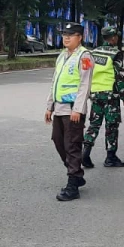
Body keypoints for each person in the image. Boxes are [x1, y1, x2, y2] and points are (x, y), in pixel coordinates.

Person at [44, 22, 93, 202]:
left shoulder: (85, 56)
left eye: (71, 34)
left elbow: (85, 84)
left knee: (72, 144)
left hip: (73, 109)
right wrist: (49, 106)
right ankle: (77, 173)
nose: (66, 37)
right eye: (64, 34)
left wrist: (78, 109)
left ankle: (73, 184)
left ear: (79, 37)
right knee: (58, 141)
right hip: (59, 108)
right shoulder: (62, 56)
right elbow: (55, 82)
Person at [83, 27, 124, 168]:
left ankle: (85, 152)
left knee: (94, 124)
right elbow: (120, 76)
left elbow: (85, 72)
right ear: (113, 38)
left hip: (95, 94)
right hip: (110, 95)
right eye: (117, 36)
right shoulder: (115, 53)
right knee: (112, 126)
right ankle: (111, 157)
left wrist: (87, 92)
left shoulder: (91, 52)